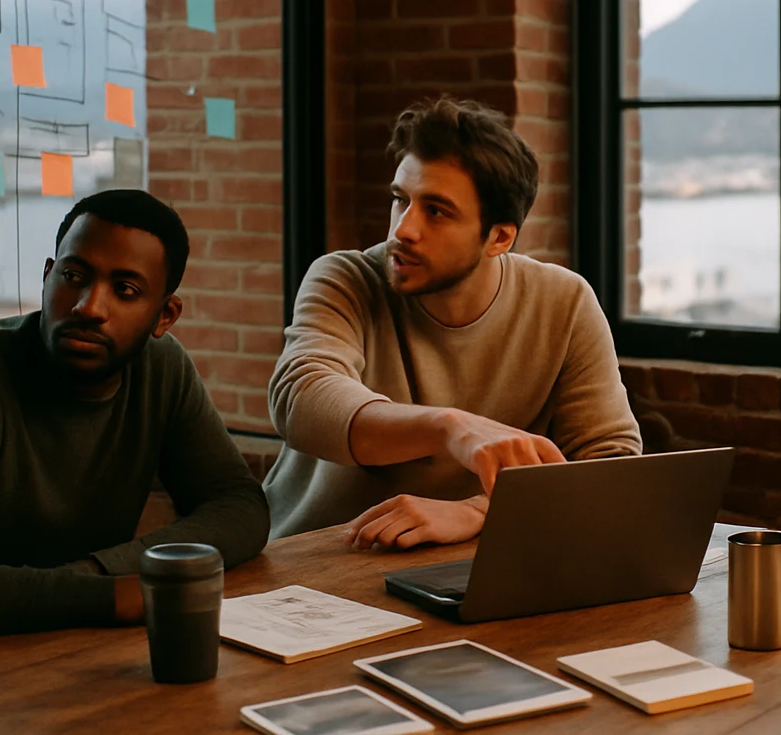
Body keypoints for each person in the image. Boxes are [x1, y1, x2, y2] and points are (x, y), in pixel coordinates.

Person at [0, 189, 269, 649]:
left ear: (165, 315)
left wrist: (97, 573)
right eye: (74, 275)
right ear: (46, 277)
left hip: (53, 650)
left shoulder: (161, 369)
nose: (88, 306)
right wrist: (107, 599)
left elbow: (240, 507)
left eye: (125, 290)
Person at [264, 96, 642, 547]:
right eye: (400, 200)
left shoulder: (565, 301)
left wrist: (479, 510)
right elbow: (302, 400)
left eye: (436, 211)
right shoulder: (345, 278)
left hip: (461, 562)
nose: (404, 229)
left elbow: (609, 463)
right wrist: (450, 428)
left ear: (499, 237)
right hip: (313, 560)